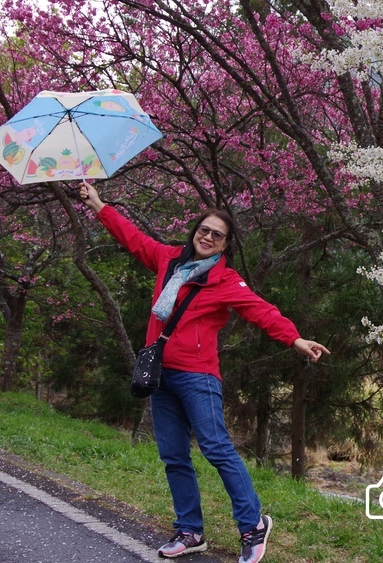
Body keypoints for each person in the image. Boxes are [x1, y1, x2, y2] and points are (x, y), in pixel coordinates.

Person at [79, 182, 329, 563]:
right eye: (204, 230)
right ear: (195, 231)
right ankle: (190, 531)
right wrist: (98, 203)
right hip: (161, 375)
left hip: (198, 377)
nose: (208, 237)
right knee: (174, 456)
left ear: (226, 245)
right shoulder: (167, 261)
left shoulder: (226, 281)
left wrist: (294, 339)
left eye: (217, 234)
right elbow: (132, 238)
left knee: (216, 449)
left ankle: (252, 525)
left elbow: (261, 310)